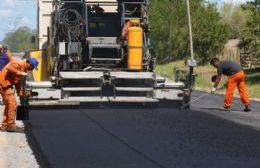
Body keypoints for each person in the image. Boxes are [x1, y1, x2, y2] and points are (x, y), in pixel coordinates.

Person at [0, 57, 38, 132]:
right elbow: (8, 67)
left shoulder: (24, 70)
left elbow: (18, 84)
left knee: (9, 106)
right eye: (32, 66)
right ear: (28, 63)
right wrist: (20, 73)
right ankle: (11, 126)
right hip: (3, 84)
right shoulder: (19, 63)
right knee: (13, 104)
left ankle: (4, 125)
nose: (32, 69)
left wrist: (22, 95)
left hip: (7, 85)